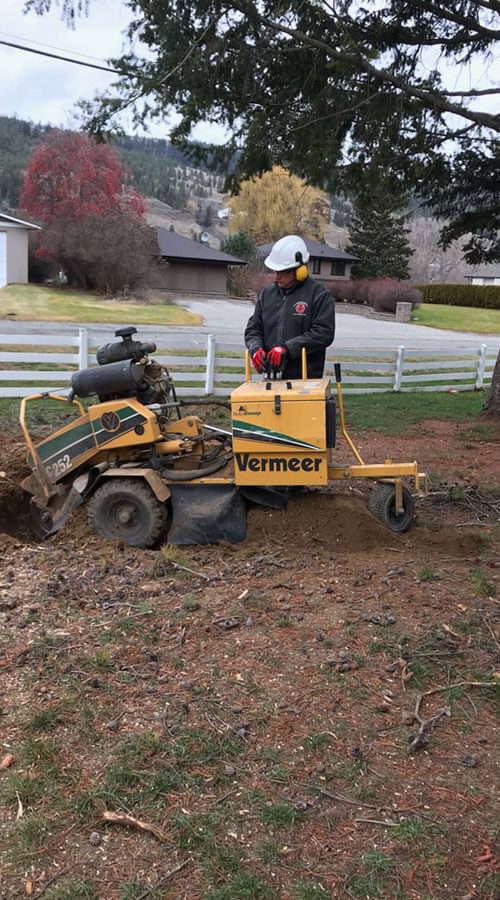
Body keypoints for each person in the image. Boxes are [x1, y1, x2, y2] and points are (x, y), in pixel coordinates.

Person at [245, 235, 335, 379]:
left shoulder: (318, 295)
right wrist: (256, 349)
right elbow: (254, 329)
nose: (276, 277)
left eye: (282, 272)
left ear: (300, 270)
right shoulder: (267, 295)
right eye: (275, 271)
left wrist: (288, 348)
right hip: (271, 377)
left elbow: (323, 333)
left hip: (305, 379)